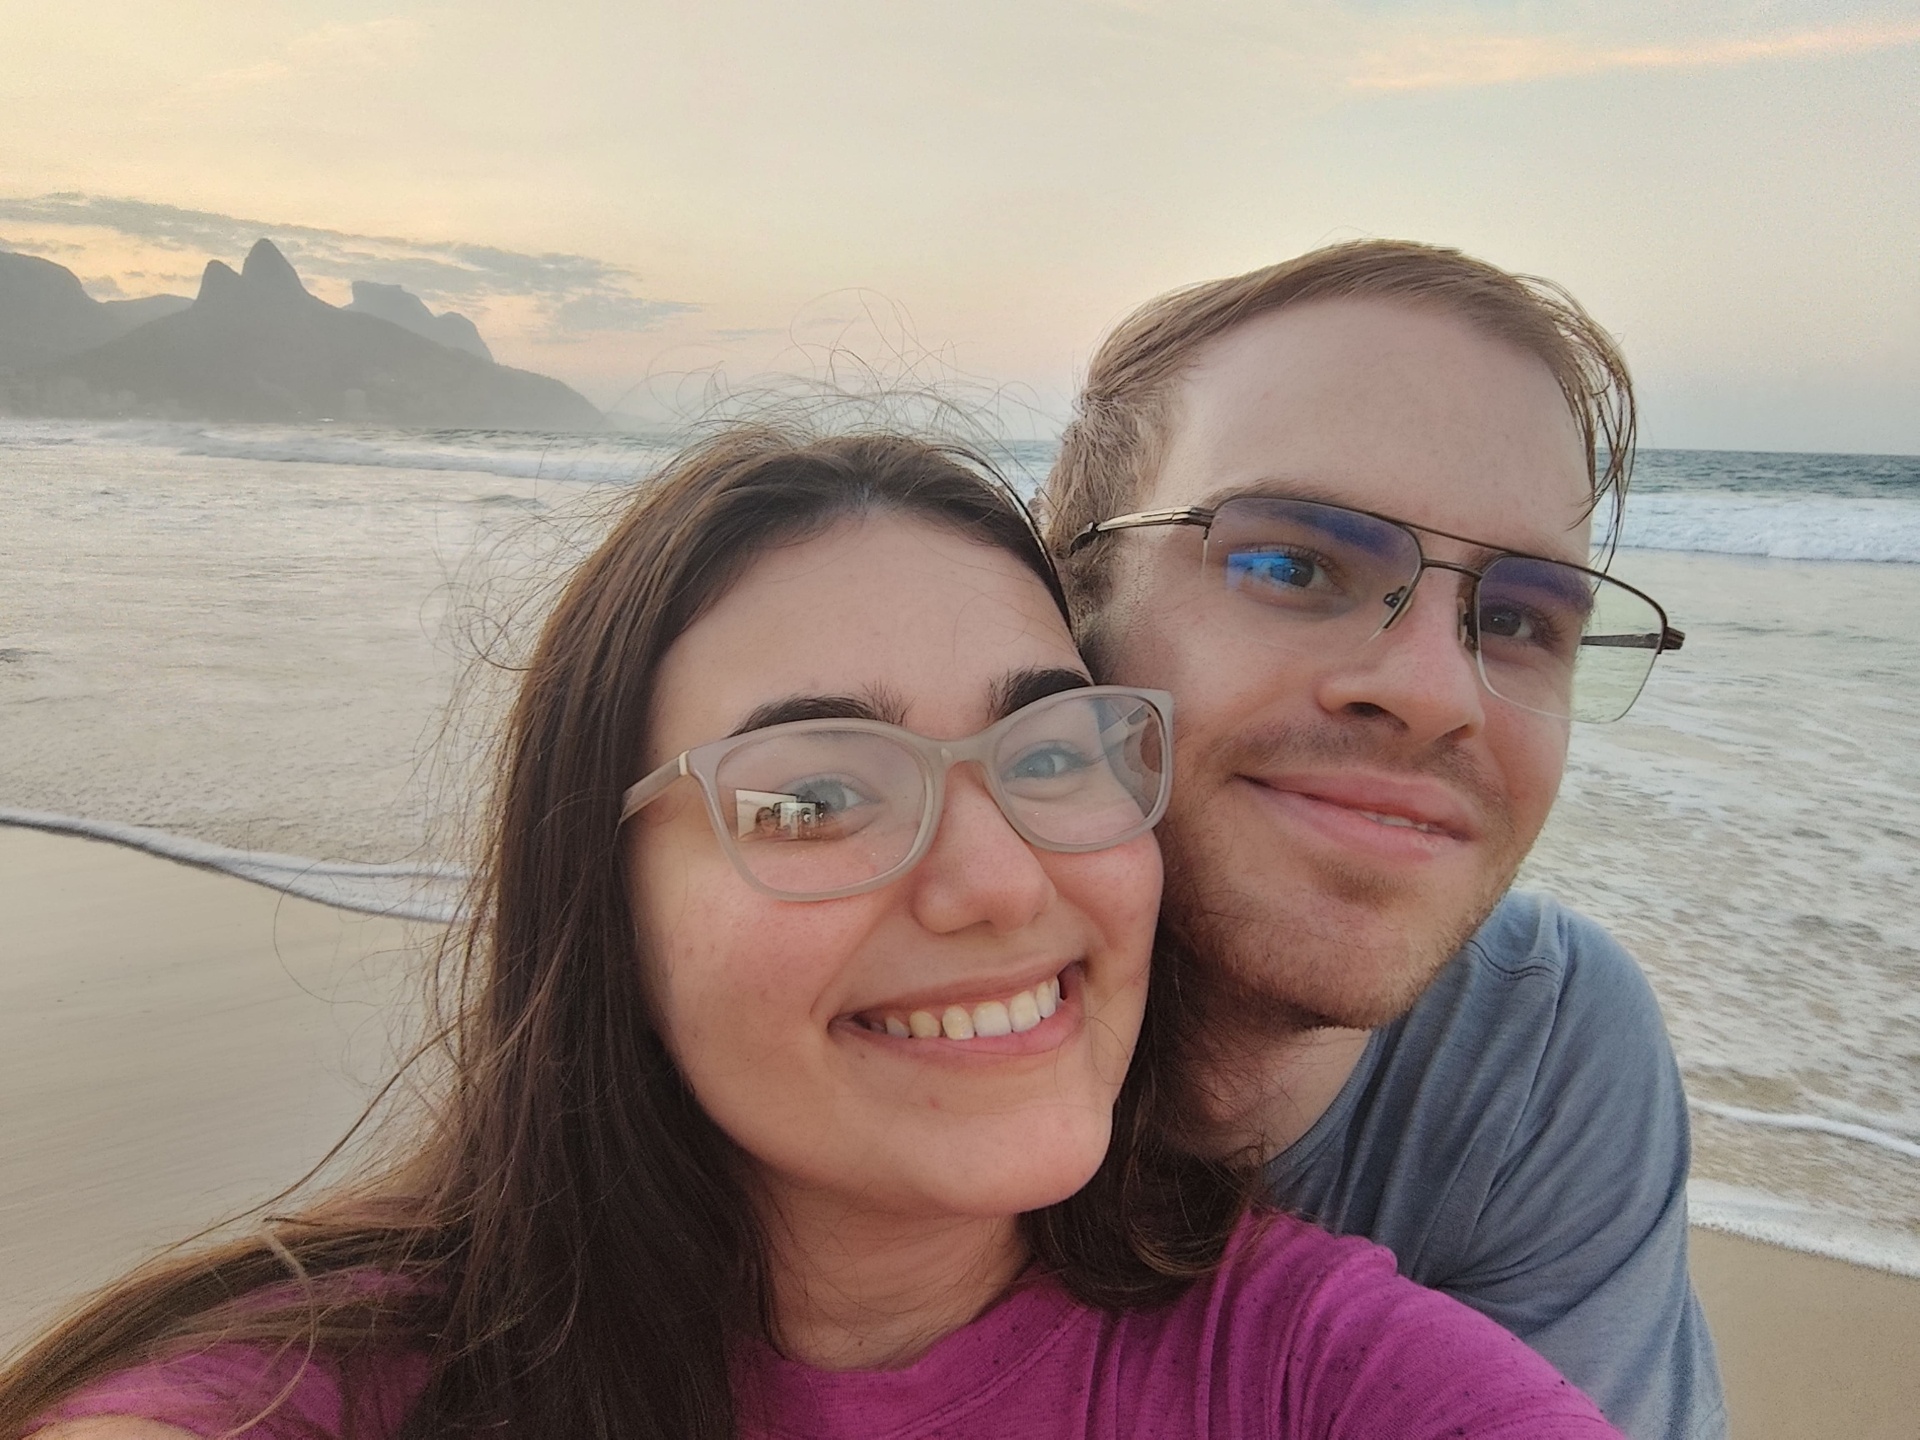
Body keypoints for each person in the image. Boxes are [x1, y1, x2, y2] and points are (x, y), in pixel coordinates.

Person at [4, 429, 1622, 1440]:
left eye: (1055, 755)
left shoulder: (1318, 1376)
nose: (999, 885)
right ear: (604, 903)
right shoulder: (307, 1392)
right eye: (813, 795)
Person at [1043, 240, 1725, 1440]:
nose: (1434, 693)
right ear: (1068, 600)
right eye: (1292, 563)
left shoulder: (1538, 1047)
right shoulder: (833, 1008)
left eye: (1517, 619)